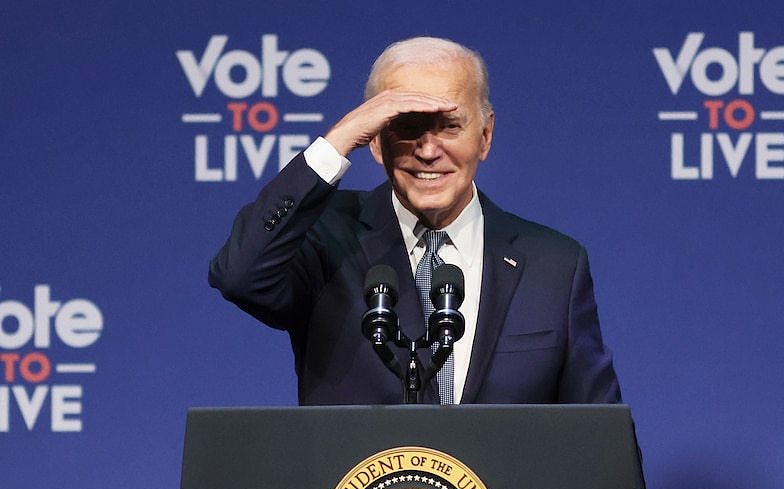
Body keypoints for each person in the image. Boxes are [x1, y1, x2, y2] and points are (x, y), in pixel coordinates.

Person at [209, 36, 620, 406]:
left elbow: (599, 435)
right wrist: (339, 139)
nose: (427, 151)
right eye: (406, 127)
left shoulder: (554, 265)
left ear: (485, 135)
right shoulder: (326, 238)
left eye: (449, 126)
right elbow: (240, 276)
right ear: (375, 140)